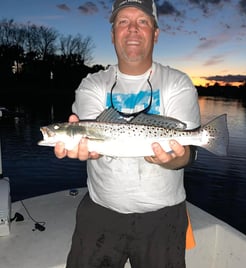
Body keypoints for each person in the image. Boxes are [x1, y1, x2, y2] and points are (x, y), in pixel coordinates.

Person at [55, 0, 201, 267]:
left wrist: (175, 159)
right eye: (123, 21)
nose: (132, 28)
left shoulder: (178, 82)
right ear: (112, 34)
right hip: (101, 214)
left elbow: (188, 153)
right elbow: (93, 140)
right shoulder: (92, 85)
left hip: (164, 218)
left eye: (142, 21)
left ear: (155, 34)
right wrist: (85, 146)